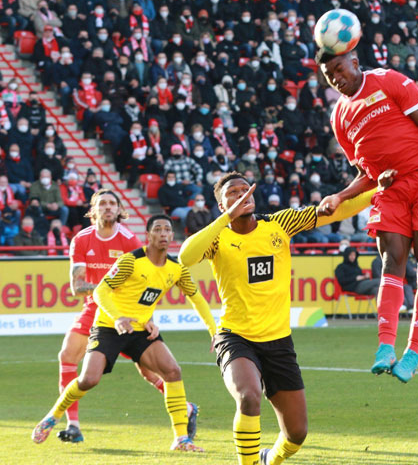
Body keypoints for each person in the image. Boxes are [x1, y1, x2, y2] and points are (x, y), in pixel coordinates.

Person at [178, 172, 379, 465]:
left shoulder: (279, 223)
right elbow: (185, 256)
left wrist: (378, 192)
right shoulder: (218, 236)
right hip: (236, 337)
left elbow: (338, 211)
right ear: (221, 205)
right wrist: (225, 219)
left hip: (278, 340)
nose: (241, 195)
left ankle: (268, 459)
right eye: (232, 193)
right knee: (248, 396)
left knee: (297, 433)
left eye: (245, 189)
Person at [317, 47, 418, 384]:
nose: (336, 79)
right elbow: (367, 174)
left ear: (355, 62)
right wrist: (340, 195)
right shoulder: (339, 118)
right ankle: (385, 347)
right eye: (328, 76)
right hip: (390, 188)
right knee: (392, 259)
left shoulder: (389, 81)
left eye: (339, 69)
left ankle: (413, 352)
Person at [32, 215, 215, 452]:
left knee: (172, 371)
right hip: (109, 326)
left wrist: (214, 330)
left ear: (172, 236)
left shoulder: (176, 269)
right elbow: (100, 291)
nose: (163, 233)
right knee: (89, 379)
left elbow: (196, 297)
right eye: (157, 229)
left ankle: (181, 439)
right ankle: (53, 415)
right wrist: (118, 317)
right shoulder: (131, 261)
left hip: (140, 330)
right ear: (148, 236)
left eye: (167, 230)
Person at [51, 190, 191, 444]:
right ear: (93, 210)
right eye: (101, 203)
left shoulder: (129, 241)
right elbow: (76, 286)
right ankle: (73, 425)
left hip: (127, 313)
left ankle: (186, 409)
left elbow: (145, 282)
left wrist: (145, 316)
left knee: (149, 372)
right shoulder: (81, 239)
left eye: (112, 203)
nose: (107, 207)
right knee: (68, 355)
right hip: (95, 309)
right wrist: (106, 287)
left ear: (119, 209)